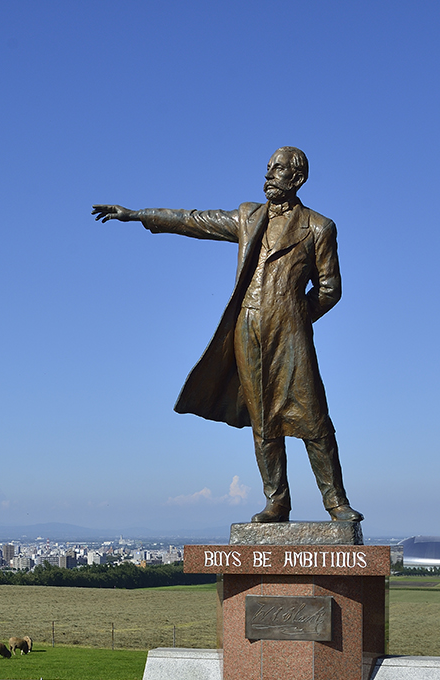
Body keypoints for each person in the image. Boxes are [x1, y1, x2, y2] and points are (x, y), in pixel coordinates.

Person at [94, 146, 362, 523]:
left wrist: (296, 317)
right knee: (263, 421)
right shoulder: (249, 216)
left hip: (290, 336)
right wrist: (137, 215)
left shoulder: (319, 227)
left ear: (297, 178)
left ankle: (336, 502)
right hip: (247, 331)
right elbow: (194, 221)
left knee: (314, 418)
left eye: (279, 169)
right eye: (267, 168)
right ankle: (276, 501)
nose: (269, 175)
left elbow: (329, 289)